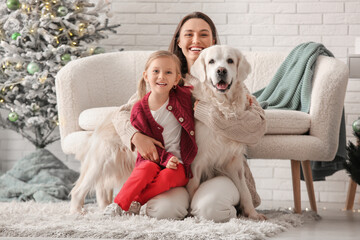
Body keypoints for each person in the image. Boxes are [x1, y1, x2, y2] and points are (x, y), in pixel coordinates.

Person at [112, 12, 266, 222]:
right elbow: (123, 112)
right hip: (177, 171)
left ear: (212, 40)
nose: (196, 40)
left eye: (203, 34)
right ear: (179, 41)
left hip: (222, 173)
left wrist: (201, 110)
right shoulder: (166, 77)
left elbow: (257, 127)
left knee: (210, 210)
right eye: (189, 34)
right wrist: (136, 137)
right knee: (162, 211)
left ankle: (224, 208)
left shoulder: (233, 83)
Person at [104, 51, 197, 216]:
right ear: (146, 76)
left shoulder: (183, 97)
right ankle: (118, 204)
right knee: (144, 170)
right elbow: (150, 148)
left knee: (170, 175)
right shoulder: (139, 110)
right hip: (153, 159)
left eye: (168, 72)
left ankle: (137, 202)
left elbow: (204, 92)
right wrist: (166, 158)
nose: (162, 76)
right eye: (156, 71)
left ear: (176, 79)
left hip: (180, 164)